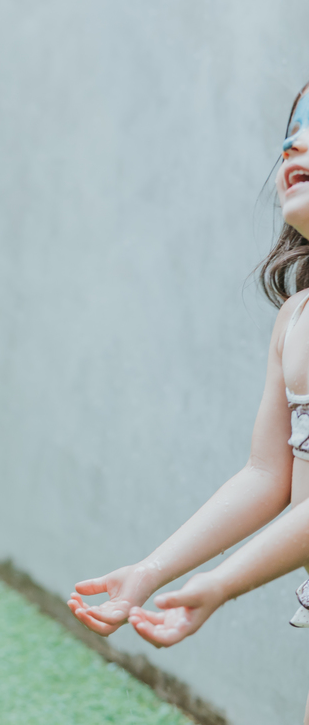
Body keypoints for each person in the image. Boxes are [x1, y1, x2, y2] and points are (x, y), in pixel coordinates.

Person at [68, 82, 309, 723]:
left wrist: (226, 581)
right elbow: (268, 475)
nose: (293, 142)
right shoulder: (295, 318)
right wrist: (151, 572)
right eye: (294, 126)